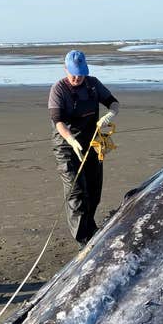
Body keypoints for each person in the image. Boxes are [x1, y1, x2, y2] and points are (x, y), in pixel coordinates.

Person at [48, 50, 119, 246]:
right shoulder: (58, 89)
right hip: (67, 145)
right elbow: (57, 120)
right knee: (77, 191)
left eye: (81, 73)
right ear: (65, 69)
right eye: (73, 74)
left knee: (94, 189)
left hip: (92, 142)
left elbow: (113, 102)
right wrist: (70, 139)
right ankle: (83, 239)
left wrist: (110, 114)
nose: (77, 78)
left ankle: (90, 226)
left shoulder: (93, 84)